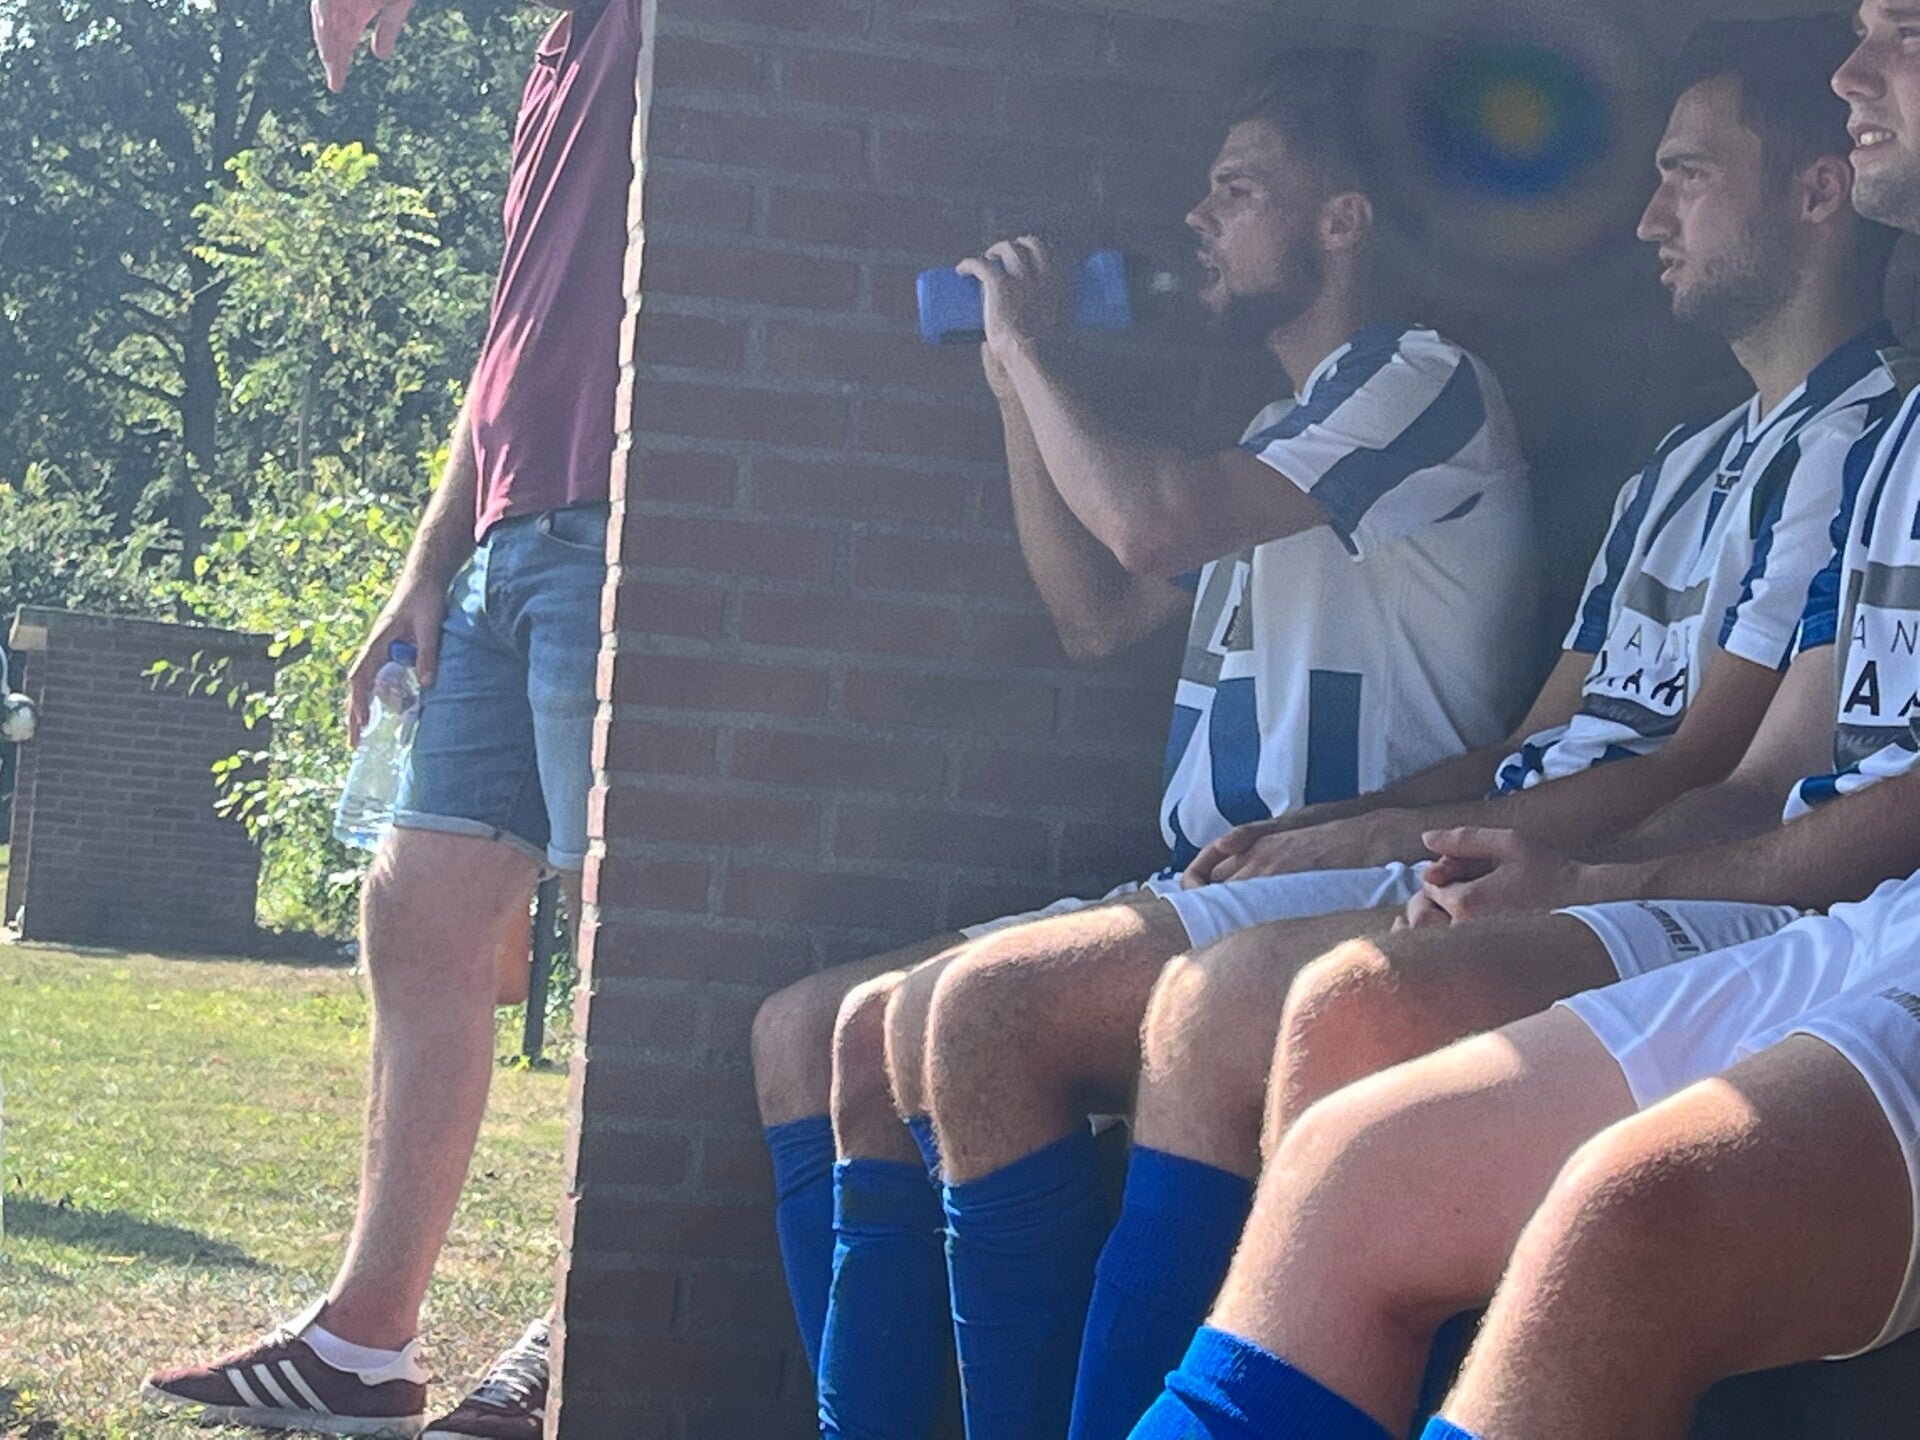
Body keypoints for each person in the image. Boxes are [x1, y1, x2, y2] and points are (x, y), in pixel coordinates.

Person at [915, 16, 1907, 1438]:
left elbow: (1712, 766)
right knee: (882, 1027)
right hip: (1615, 856)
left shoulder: (1822, 427)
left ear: (1813, 193)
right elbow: (1549, 738)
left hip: (1732, 885)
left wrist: (1524, 862)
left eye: (1686, 175)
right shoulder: (1688, 461)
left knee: (1214, 1012)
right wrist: (1365, 828)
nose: (1647, 218)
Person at [751, 48, 1540, 1439]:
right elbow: (1097, 613)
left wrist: (1031, 348)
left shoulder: (1420, 383)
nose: (1199, 220)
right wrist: (1016, 390)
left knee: (976, 1018)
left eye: (1238, 191)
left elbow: (1146, 523)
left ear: (1342, 220)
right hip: (1217, 877)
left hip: (1358, 875)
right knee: (811, 1032)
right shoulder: (1279, 429)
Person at [141, 0, 634, 1432]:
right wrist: (427, 568)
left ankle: (585, 1330)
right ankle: (361, 1347)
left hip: (623, 529)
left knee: (627, 942)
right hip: (503, 551)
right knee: (418, 913)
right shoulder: (558, 54)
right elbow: (510, 347)